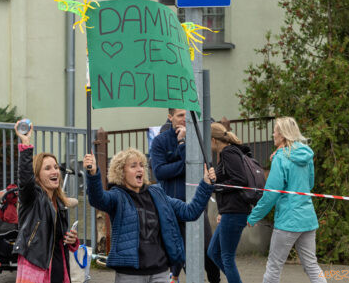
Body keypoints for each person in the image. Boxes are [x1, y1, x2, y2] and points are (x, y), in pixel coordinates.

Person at [83, 148, 215, 283]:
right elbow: (98, 199)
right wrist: (93, 174)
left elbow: (190, 212)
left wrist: (205, 184)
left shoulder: (157, 194)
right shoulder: (117, 196)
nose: (140, 169)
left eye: (141, 165)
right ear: (121, 172)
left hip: (160, 272)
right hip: (130, 274)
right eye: (133, 166)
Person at [247, 117, 326, 283]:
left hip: (288, 221)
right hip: (307, 218)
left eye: (275, 130)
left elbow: (270, 194)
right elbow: (309, 184)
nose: (273, 134)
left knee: (274, 266)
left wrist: (254, 216)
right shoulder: (305, 155)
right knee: (311, 265)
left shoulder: (280, 158)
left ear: (282, 135)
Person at [150, 108, 220, 283]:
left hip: (196, 205)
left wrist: (184, 144)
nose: (184, 119)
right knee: (181, 251)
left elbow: (202, 168)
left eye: (187, 116)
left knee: (208, 250)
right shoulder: (160, 141)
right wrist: (185, 162)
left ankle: (215, 280)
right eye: (180, 115)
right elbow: (159, 172)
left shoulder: (196, 139)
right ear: (170, 117)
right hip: (172, 206)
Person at [13, 120, 79, 283]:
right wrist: (26, 144)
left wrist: (72, 240)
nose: (54, 171)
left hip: (58, 266)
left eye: (56, 167)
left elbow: (59, 238)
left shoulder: (60, 202)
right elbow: (25, 180)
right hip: (36, 265)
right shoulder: (32, 197)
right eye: (47, 168)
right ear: (37, 176)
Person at [207, 122, 252, 283]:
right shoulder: (227, 153)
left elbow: (240, 180)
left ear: (213, 140)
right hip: (229, 211)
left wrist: (217, 187)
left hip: (234, 211)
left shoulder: (228, 152)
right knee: (213, 252)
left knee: (227, 257)